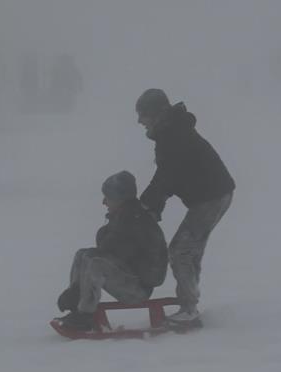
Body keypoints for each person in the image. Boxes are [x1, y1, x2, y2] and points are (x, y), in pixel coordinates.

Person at [135, 89, 235, 324]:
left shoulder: (174, 136)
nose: (140, 121)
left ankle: (189, 308)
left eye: (143, 115)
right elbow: (167, 176)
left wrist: (147, 206)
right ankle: (190, 302)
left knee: (181, 251)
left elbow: (167, 176)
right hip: (211, 195)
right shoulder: (170, 133)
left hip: (211, 198)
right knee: (189, 250)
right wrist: (150, 205)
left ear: (158, 114)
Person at [55, 171, 168, 332]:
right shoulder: (124, 217)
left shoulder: (134, 221)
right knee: (83, 254)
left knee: (95, 262)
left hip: (138, 290)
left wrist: (76, 289)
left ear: (119, 198)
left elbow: (108, 253)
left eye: (107, 197)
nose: (103, 202)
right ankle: (79, 305)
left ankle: (84, 316)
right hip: (131, 279)